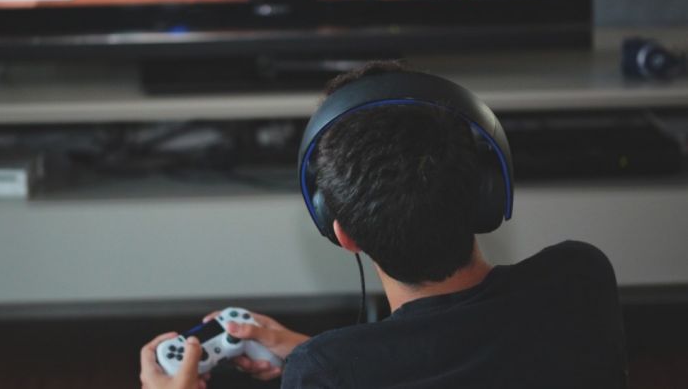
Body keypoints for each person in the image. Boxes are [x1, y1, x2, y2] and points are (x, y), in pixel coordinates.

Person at [140, 62, 627, 388]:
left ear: (342, 233)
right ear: (487, 191)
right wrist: (316, 354)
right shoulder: (580, 277)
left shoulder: (328, 372)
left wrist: (323, 360)